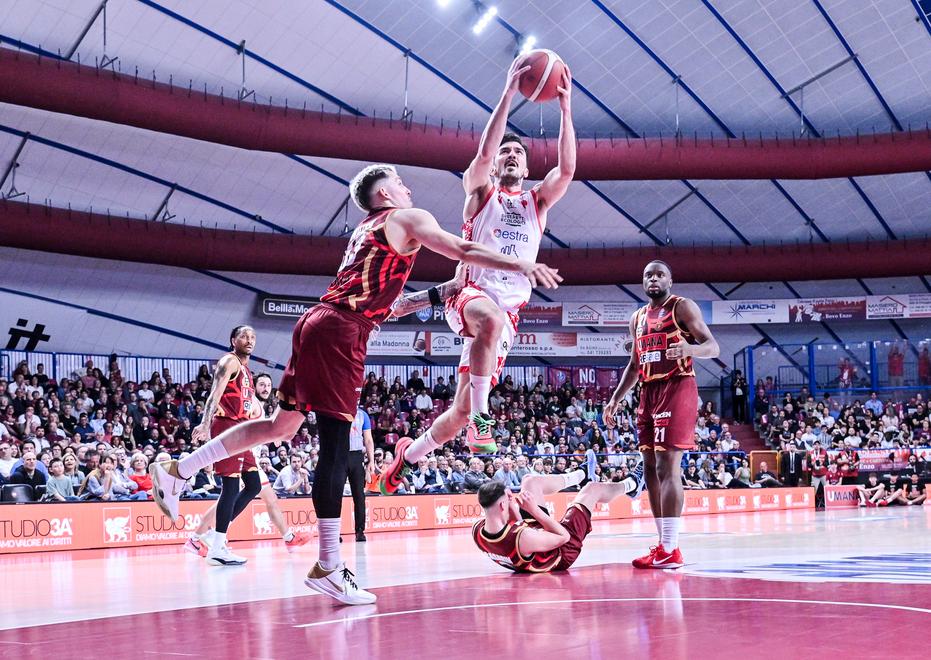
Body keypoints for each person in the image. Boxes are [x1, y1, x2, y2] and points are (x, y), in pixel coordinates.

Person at [149, 162, 561, 606]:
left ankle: (179, 470)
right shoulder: (408, 217)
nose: (406, 187)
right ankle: (328, 564)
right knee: (334, 445)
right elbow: (461, 247)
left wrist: (438, 294)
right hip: (342, 331)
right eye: (398, 182)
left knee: (280, 426)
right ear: (384, 195)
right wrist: (520, 263)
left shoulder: (368, 230)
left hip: (319, 322)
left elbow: (396, 304)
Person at [379, 57, 575, 493]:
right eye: (506, 151)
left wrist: (565, 109)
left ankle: (406, 458)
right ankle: (484, 422)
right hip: (470, 295)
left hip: (507, 314)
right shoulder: (481, 192)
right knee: (489, 320)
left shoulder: (537, 203)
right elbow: (483, 154)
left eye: (518, 153)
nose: (510, 155)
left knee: (460, 411)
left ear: (527, 169)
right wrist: (508, 94)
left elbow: (567, 171)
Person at [603, 261, 719, 570]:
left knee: (668, 466)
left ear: (670, 280)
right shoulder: (637, 318)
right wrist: (615, 399)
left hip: (677, 386)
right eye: (648, 275)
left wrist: (690, 350)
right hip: (648, 390)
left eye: (660, 274)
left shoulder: (682, 307)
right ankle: (663, 546)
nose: (653, 279)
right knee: (650, 469)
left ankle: (671, 548)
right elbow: (634, 365)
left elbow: (713, 346)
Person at [185, 372, 311, 557]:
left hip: (250, 455)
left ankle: (288, 538)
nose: (266, 388)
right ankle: (198, 538)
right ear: (254, 386)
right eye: (262, 385)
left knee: (265, 497)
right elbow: (241, 427)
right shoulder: (250, 402)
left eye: (268, 385)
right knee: (231, 496)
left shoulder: (259, 406)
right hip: (242, 452)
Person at [472, 465, 643, 573]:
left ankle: (580, 474)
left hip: (532, 545)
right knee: (592, 489)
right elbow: (563, 536)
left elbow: (513, 534)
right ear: (502, 505)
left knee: (530, 481)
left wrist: (516, 511)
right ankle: (632, 485)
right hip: (561, 551)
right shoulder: (523, 537)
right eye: (509, 497)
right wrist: (534, 510)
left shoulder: (477, 530)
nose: (512, 498)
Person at [347, 407, 375, 542]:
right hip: (339, 455)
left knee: (359, 496)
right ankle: (334, 533)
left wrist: (371, 461)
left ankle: (360, 531)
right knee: (335, 495)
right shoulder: (340, 411)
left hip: (356, 456)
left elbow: (368, 440)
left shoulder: (363, 415)